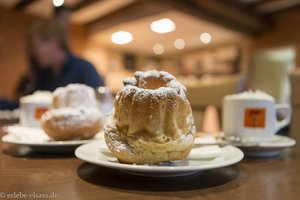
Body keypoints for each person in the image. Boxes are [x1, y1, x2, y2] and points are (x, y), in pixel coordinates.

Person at [1, 19, 104, 110]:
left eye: (36, 45)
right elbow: (27, 105)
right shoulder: (44, 74)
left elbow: (98, 107)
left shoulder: (84, 69)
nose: (34, 52)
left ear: (54, 42)